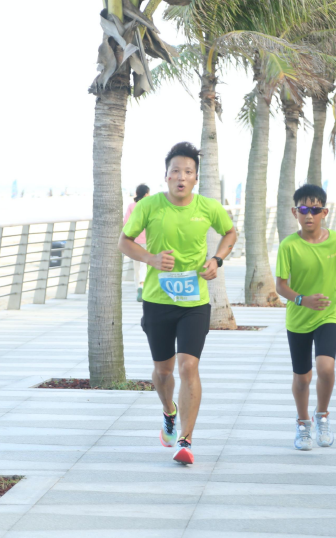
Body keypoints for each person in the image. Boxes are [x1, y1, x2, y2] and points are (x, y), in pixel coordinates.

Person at [118, 142, 238, 465]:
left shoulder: (208, 207)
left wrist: (217, 259)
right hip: (157, 301)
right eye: (176, 171)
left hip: (195, 301)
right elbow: (123, 242)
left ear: (196, 178)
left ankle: (185, 439)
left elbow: (230, 233)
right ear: (166, 176)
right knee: (163, 372)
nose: (181, 177)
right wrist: (152, 259)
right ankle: (168, 410)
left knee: (188, 366)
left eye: (188, 172)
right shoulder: (149, 206)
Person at [275, 184, 336, 450]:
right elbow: (281, 287)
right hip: (298, 320)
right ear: (295, 212)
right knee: (302, 378)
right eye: (303, 209)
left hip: (328, 316)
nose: (309, 215)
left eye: (315, 209)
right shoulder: (288, 246)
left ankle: (322, 415)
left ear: (325, 212)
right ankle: (303, 423)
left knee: (326, 368)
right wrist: (303, 300)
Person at [123, 184, 151, 301]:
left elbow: (126, 223)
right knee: (145, 263)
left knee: (136, 266)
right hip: (147, 239)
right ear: (146, 194)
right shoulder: (148, 205)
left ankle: (137, 289)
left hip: (134, 240)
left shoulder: (131, 206)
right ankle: (142, 285)